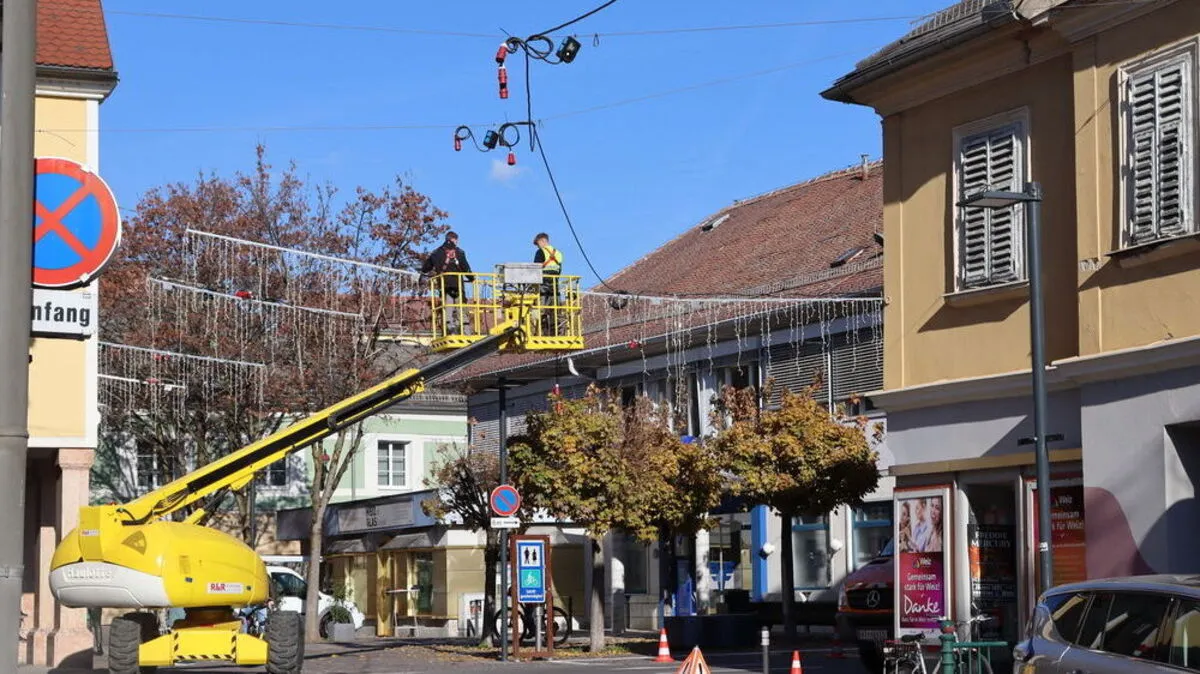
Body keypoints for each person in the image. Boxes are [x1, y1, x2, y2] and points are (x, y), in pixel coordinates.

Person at [421, 231, 474, 334]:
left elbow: (426, 267)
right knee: (461, 309)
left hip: (444, 286)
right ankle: (466, 331)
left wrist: (423, 273)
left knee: (448, 309)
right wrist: (472, 278)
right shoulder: (459, 252)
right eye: (456, 241)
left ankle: (450, 330)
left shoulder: (436, 253)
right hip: (458, 286)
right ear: (453, 240)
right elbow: (466, 268)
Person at [532, 232, 564, 335]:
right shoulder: (558, 253)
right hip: (554, 283)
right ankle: (556, 331)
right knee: (555, 309)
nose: (538, 246)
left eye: (538, 244)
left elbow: (535, 268)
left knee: (541, 308)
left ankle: (542, 331)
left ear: (542, 241)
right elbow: (559, 269)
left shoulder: (541, 252)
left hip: (543, 283)